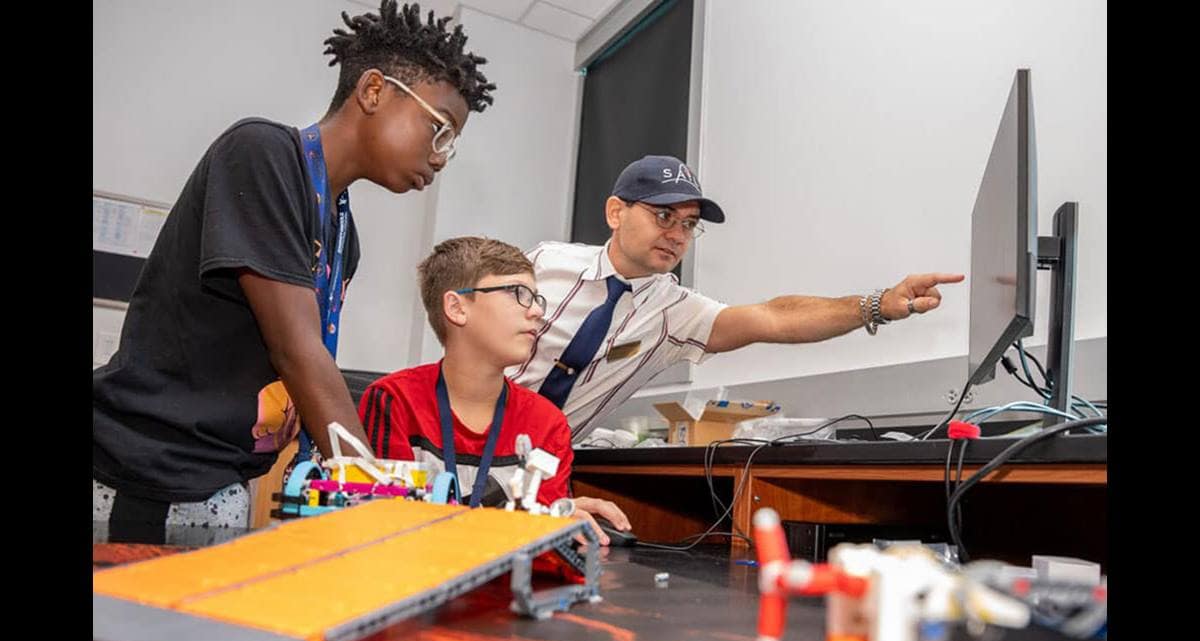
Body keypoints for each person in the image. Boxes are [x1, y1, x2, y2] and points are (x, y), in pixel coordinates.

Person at [93, 1, 496, 536]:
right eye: (439, 129)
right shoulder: (262, 154)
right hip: (145, 471)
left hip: (220, 479)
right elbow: (298, 350)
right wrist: (373, 490)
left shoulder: (343, 234)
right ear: (373, 91)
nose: (441, 156)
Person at [510, 155, 964, 438]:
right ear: (616, 212)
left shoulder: (673, 314)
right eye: (664, 215)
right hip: (457, 437)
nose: (677, 234)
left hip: (540, 471)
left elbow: (774, 318)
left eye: (688, 224)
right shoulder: (545, 262)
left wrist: (877, 304)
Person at [358, 237, 628, 543]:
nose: (536, 312)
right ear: (457, 307)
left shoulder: (547, 424)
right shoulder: (395, 401)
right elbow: (388, 526)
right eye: (518, 294)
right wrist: (521, 522)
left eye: (537, 298)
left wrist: (553, 521)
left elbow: (543, 536)